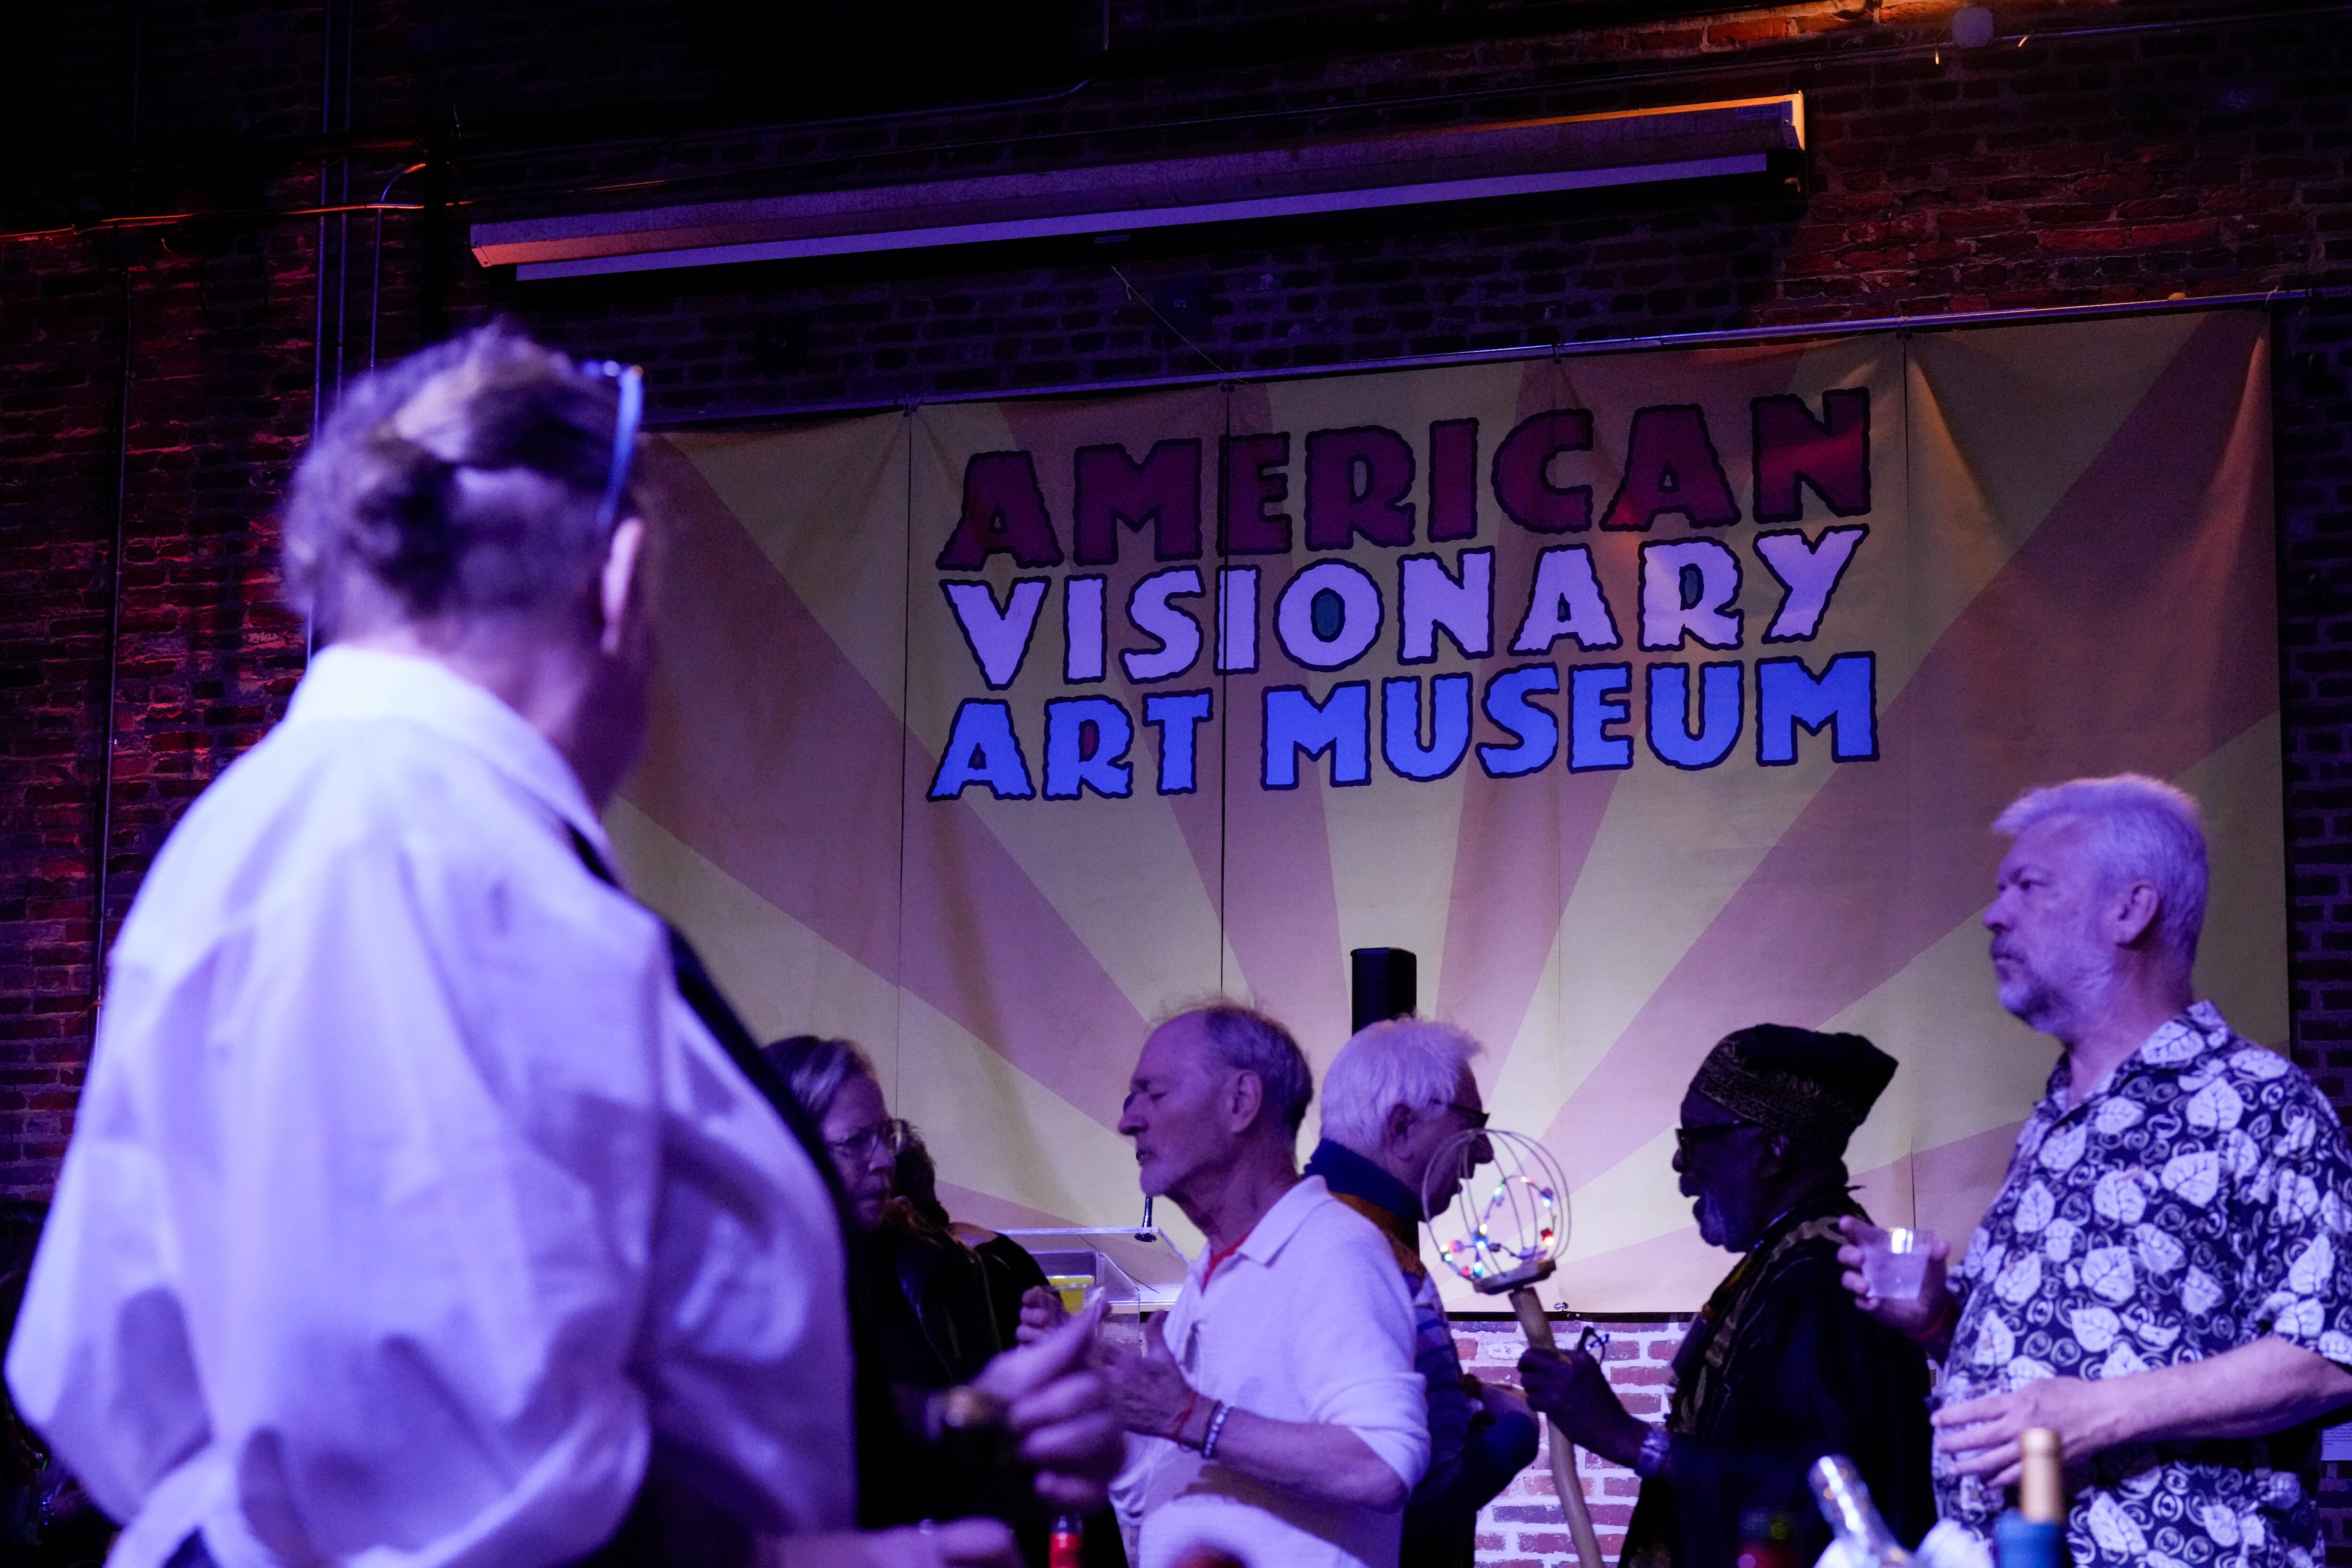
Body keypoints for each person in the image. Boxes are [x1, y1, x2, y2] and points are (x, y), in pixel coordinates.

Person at [3, 325, 1113, 1568]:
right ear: (623, 578)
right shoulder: (404, 846)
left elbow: (583, 1352)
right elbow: (439, 1471)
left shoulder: (399, 830)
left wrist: (953, 1427)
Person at [1842, 775, 2352, 1568]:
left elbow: (2330, 1353)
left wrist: (2100, 1413)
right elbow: (2067, 1353)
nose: (1994, 912)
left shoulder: (2259, 1102)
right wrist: (1940, 1320)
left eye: (2030, 886)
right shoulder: (2057, 1119)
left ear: (2131, 909)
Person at [1031, 1003, 1431, 1568]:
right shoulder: (1212, 1270)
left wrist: (1189, 1416)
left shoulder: (1333, 1249)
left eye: (1155, 1094)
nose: (1129, 1122)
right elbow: (1156, 1488)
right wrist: (1103, 1401)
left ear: (1240, 1102)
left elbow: (1381, 1464)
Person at [1519, 1024, 1933, 1568]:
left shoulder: (1819, 1274)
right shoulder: (1786, 1255)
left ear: (1771, 1150)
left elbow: (1823, 1489)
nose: (1678, 1163)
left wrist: (1625, 1439)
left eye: (1695, 1139)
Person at [1305, 1017, 1540, 1568]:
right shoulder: (1364, 1256)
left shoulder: (1315, 1229)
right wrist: (1515, 1434)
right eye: (1470, 1125)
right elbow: (1408, 1491)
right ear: (1403, 1125)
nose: (1482, 1156)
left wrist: (1465, 1398)